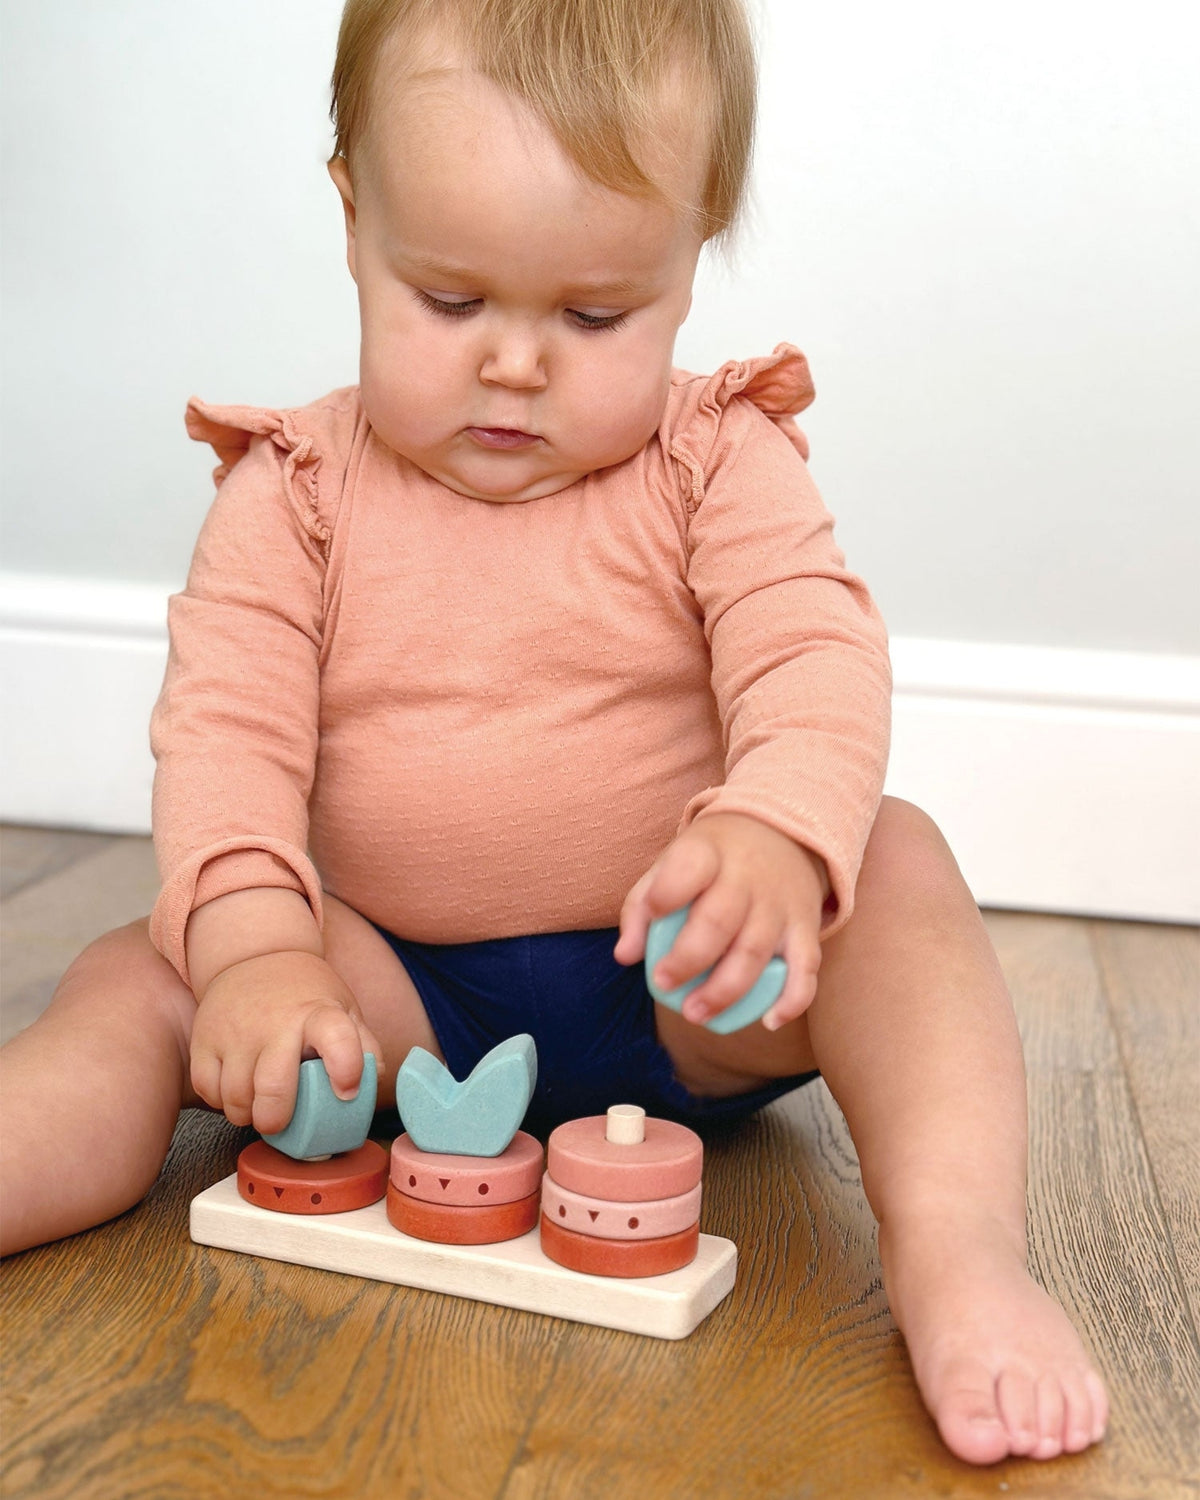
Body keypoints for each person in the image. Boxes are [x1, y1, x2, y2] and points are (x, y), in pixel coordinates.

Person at [0, 0, 1107, 1466]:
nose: (515, 363)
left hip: (686, 984)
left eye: (595, 316)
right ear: (353, 218)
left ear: (690, 256)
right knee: (137, 976)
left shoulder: (717, 456)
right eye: (449, 302)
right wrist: (261, 954)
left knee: (895, 864)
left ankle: (963, 1249)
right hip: (391, 993)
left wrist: (773, 829)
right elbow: (229, 746)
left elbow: (812, 654)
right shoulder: (295, 495)